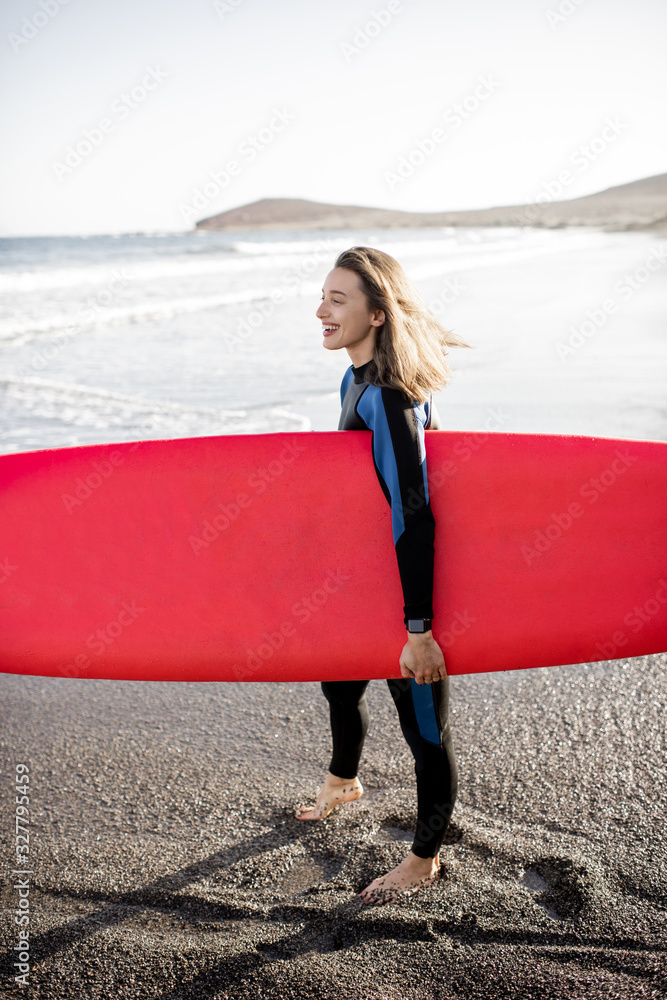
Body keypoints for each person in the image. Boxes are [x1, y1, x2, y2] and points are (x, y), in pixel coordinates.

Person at [296, 246, 468, 905]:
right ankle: (343, 781)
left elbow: (415, 511)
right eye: (322, 296)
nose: (321, 310)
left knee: (424, 731)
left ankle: (422, 860)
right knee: (338, 688)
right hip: (357, 586)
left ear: (375, 313)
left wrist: (418, 629)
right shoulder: (352, 381)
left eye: (336, 300)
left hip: (406, 596)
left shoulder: (389, 398)